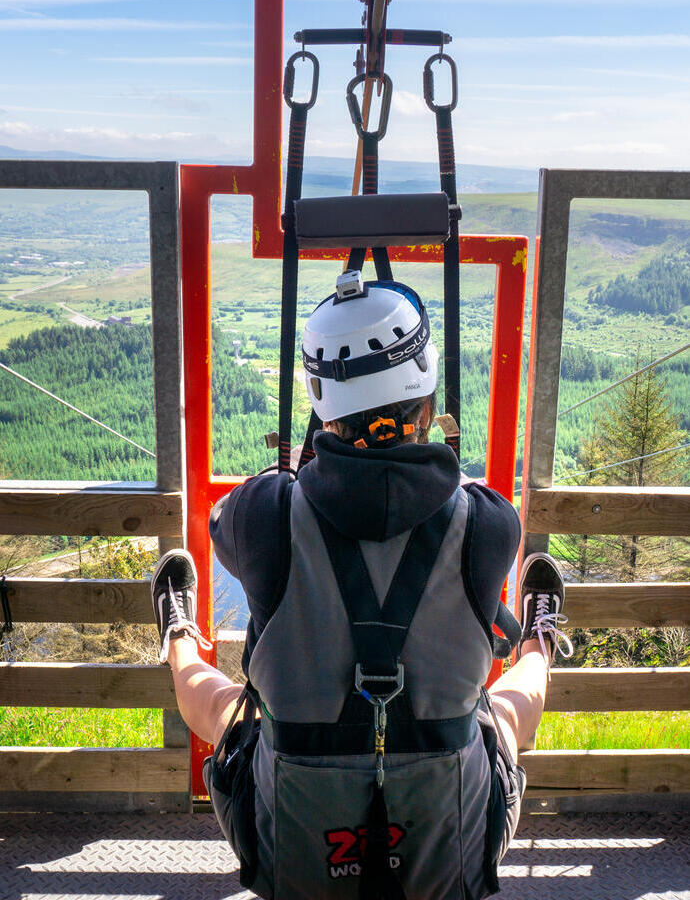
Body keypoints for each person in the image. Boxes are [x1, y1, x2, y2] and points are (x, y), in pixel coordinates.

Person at [150, 275, 573, 900]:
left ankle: (179, 635)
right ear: (426, 404)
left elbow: (224, 522)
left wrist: (302, 473)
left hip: (295, 848)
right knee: (504, 716)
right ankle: (540, 640)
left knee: (224, 707)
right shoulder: (488, 525)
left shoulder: (264, 516)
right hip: (445, 854)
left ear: (324, 410)